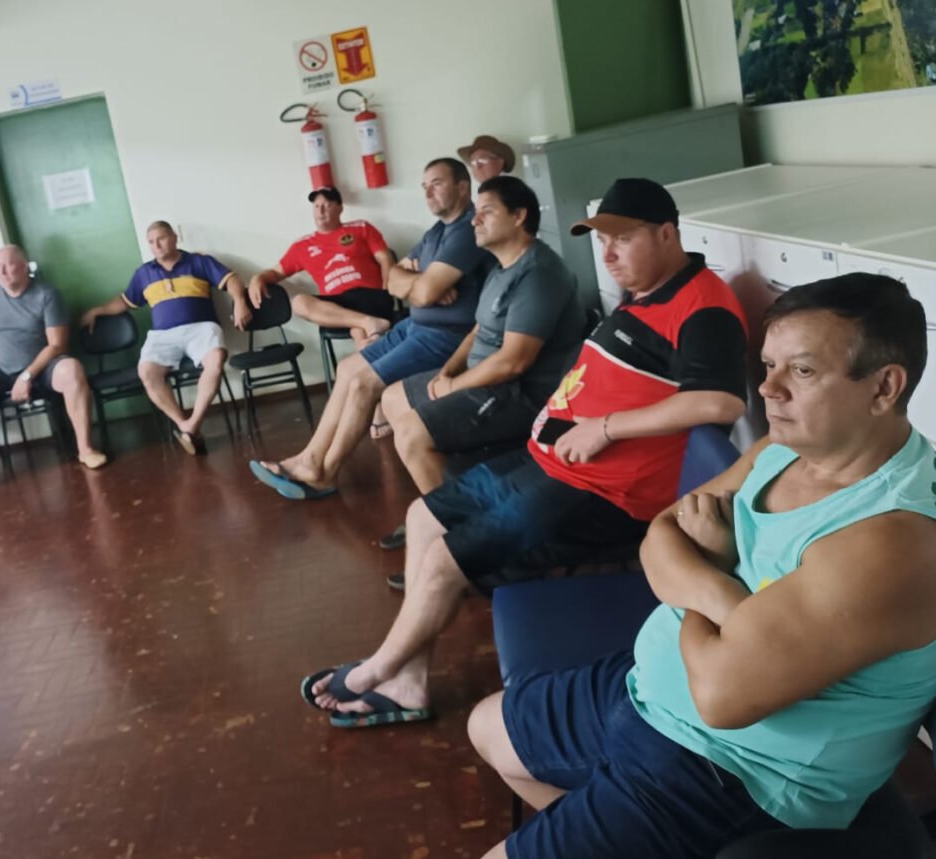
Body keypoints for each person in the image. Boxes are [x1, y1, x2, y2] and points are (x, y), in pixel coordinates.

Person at [468, 273, 936, 859]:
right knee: (487, 726)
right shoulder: (785, 448)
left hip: (730, 773)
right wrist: (728, 594)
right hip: (645, 692)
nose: (769, 390)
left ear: (885, 386)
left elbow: (721, 697)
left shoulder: (896, 540)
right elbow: (659, 536)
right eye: (768, 366)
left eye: (803, 371)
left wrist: (711, 559)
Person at [301, 177, 750, 723]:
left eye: (622, 239)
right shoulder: (646, 294)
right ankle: (409, 683)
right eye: (600, 241)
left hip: (605, 491)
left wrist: (605, 427)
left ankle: (375, 672)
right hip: (553, 463)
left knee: (446, 557)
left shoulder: (705, 305)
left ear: (666, 234)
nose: (606, 255)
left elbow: (719, 403)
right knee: (422, 517)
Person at [249, 158, 493, 499]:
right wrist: (423, 281)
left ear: (463, 187)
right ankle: (310, 458)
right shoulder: (435, 233)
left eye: (436, 183)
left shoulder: (468, 229)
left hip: (447, 335)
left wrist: (421, 284)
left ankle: (324, 473)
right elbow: (395, 279)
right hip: (415, 324)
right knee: (348, 368)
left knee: (364, 383)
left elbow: (413, 287)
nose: (428, 192)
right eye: (424, 186)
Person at [378, 175, 585, 525]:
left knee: (412, 433)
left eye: (486, 211)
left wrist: (454, 387)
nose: (474, 219)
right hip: (483, 378)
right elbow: (479, 329)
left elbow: (514, 362)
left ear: (518, 216)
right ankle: (451, 505)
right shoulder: (502, 266)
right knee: (393, 399)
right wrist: (448, 372)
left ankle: (455, 532)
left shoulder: (539, 273)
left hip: (520, 394)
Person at [0, 245, 106, 504]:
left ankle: (85, 449)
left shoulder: (46, 294)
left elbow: (57, 345)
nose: (3, 271)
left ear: (24, 266)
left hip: (42, 368)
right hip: (1, 370)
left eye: (8, 265)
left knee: (72, 369)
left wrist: (28, 375)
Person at [80, 221, 250, 455]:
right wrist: (96, 311)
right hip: (163, 335)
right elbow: (125, 301)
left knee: (216, 360)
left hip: (200, 328)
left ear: (174, 237)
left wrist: (239, 302)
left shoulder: (199, 261)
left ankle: (193, 423)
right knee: (147, 372)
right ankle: (185, 425)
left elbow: (232, 280)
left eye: (161, 238)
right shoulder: (144, 273)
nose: (156, 245)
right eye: (151, 242)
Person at [248, 186, 394, 347]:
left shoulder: (361, 227)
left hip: (370, 294)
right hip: (337, 305)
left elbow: (384, 258)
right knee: (299, 303)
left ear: (340, 208)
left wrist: (387, 290)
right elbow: (276, 272)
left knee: (358, 331)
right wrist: (257, 278)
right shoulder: (302, 246)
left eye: (327, 205)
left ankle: (366, 336)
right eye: (316, 206)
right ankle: (369, 324)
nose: (320, 210)